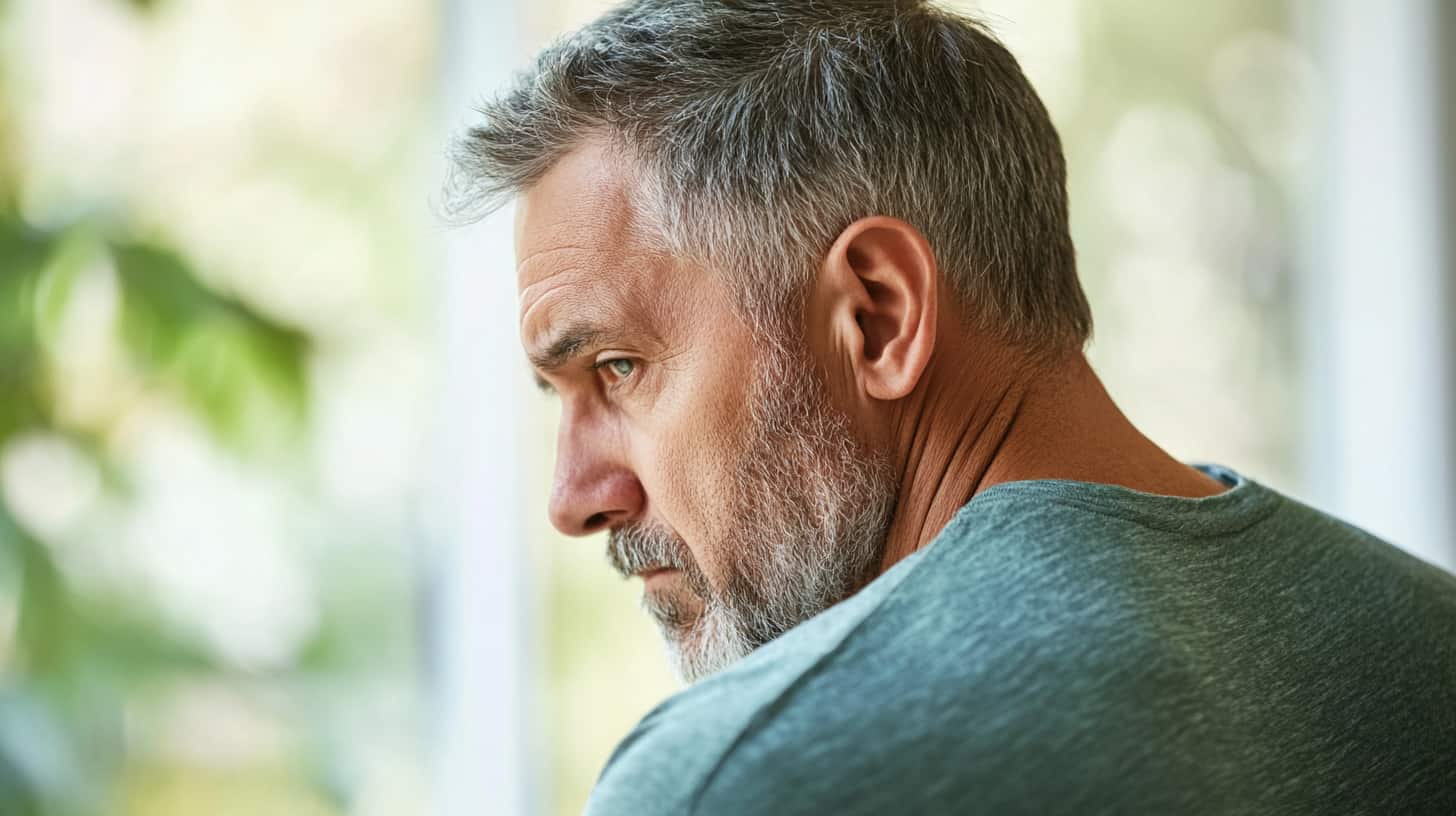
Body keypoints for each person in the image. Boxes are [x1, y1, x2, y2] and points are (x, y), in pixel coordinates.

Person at [449, 1, 1456, 812]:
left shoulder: (754, 772)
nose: (574, 498)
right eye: (559, 396)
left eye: (617, 369)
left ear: (879, 317)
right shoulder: (1432, 643)